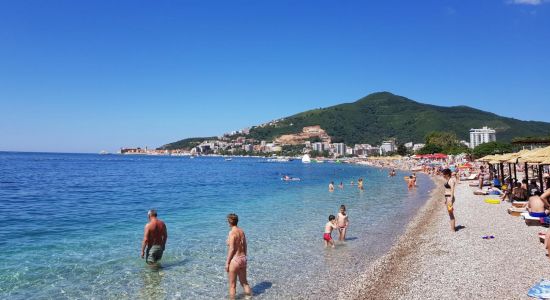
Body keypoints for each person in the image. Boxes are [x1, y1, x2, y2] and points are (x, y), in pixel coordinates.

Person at [226, 213, 252, 299]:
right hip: (243, 258)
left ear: (229, 222)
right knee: (244, 283)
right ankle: (249, 298)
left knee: (232, 286)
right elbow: (245, 245)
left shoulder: (231, 233)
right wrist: (244, 257)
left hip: (235, 260)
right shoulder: (241, 231)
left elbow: (232, 249)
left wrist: (227, 263)